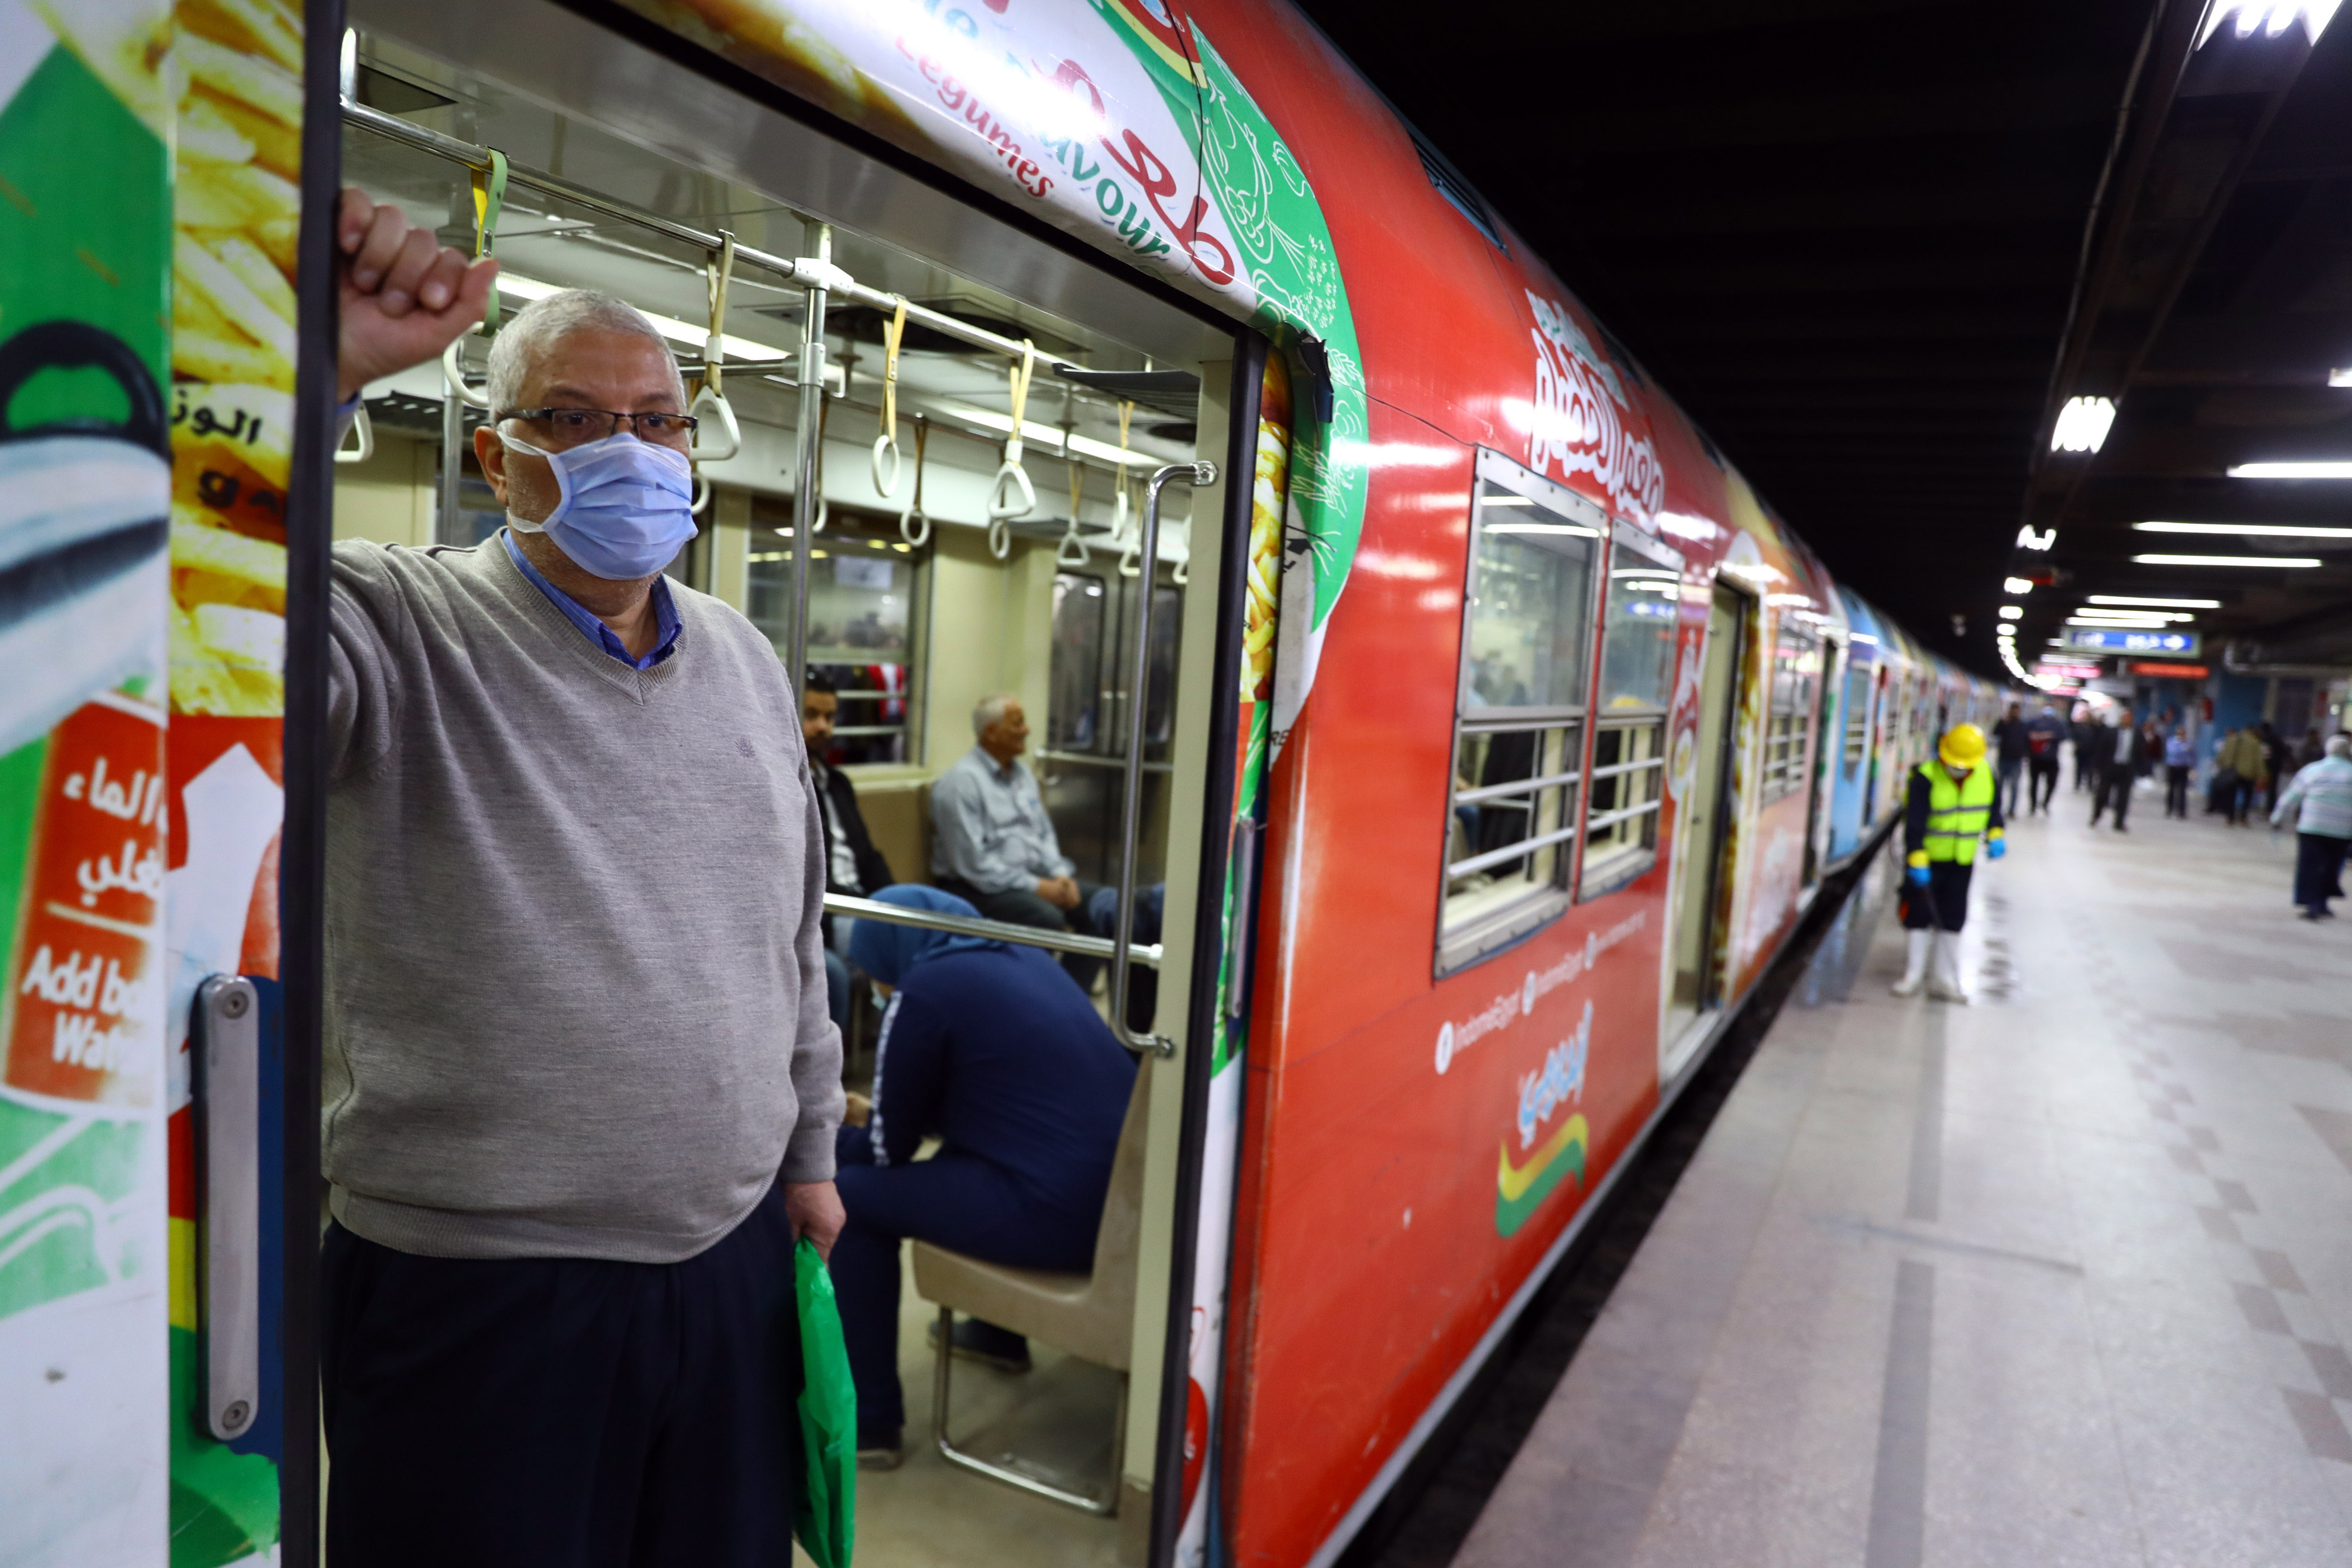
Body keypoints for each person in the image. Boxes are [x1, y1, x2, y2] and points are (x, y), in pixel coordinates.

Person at [319, 191, 842, 1564]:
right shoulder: (393, 622)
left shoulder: (741, 654)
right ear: (498, 458)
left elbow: (792, 930)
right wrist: (305, 381)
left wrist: (808, 1154)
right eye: (574, 418)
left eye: (658, 420)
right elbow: (197, 628)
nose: (629, 448)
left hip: (730, 1255)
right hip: (477, 1284)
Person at [833, 885, 1139, 1467]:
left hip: (1060, 1216)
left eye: (875, 979)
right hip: (1122, 1210)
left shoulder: (923, 989)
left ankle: (869, 1423)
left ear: (890, 957)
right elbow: (996, 1098)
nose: (876, 992)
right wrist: (875, 1124)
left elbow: (882, 1155)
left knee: (852, 1197)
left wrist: (823, 1135)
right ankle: (997, 1334)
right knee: (972, 1151)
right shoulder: (1021, 953)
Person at [805, 671, 896, 1030]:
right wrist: (868, 905)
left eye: (829, 717)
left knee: (916, 931)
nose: (823, 727)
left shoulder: (839, 783)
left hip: (862, 904)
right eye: (811, 716)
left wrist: (892, 900)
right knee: (881, 943)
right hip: (827, 910)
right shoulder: (783, 782)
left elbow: (868, 856)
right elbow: (808, 872)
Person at [1893, 722, 2006, 1003]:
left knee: (1953, 919)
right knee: (1918, 916)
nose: (1959, 768)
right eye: (1954, 764)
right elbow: (1914, 822)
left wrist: (1996, 834)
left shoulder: (1987, 775)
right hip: (1926, 861)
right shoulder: (1925, 777)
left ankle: (1943, 980)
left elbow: (1994, 812)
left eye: (1965, 765)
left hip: (1961, 862)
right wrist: (1916, 856)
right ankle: (1914, 974)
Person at [2272, 735, 2352, 920]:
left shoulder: (2313, 770)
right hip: (2342, 830)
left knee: (2311, 865)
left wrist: (2277, 818)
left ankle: (2313, 904)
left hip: (2312, 827)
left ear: (2327, 751)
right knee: (2332, 866)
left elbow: (2292, 796)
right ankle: (2322, 903)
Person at [2089, 710, 2147, 831]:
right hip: (2110, 767)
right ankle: (2097, 815)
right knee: (2102, 794)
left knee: (2123, 797)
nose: (2126, 720)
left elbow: (2141, 753)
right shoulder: (2111, 732)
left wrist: (2140, 770)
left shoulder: (2137, 734)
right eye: (2124, 718)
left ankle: (2119, 822)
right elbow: (2101, 750)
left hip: (2127, 769)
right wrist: (2097, 767)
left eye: (2128, 718)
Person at [2217, 723, 2268, 825]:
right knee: (2247, 797)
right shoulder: (2255, 742)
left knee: (2231, 796)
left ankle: (2230, 818)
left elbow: (2222, 756)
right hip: (2248, 774)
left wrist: (2222, 766)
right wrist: (2262, 775)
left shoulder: (2232, 739)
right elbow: (2258, 760)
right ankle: (2243, 818)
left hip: (2232, 772)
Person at [2024, 700, 2067, 814]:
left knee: (2052, 782)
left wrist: (2051, 736)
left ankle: (2046, 803)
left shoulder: (2058, 723)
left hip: (2051, 759)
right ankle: (2033, 805)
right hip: (2036, 758)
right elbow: (2026, 734)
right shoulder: (2034, 722)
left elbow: (2064, 736)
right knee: (2034, 783)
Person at [1993, 700, 2029, 821]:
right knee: (1999, 787)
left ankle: (2012, 810)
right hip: (2003, 760)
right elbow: (1995, 733)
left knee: (2015, 787)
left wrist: (2026, 755)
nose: (2015, 713)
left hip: (2017, 761)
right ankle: (1997, 809)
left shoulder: (2023, 726)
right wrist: (2003, 723)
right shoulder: (2004, 723)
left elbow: (2026, 742)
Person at [2163, 726, 2196, 819]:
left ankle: (2181, 812)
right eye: (2179, 733)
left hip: (2183, 768)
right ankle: (2169, 809)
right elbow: (2171, 752)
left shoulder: (2189, 744)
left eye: (2183, 734)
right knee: (2171, 789)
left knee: (2182, 790)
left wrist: (2192, 767)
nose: (2181, 735)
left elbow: (2193, 756)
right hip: (2173, 767)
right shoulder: (2172, 742)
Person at [2070, 702, 2100, 793]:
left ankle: (2090, 785)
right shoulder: (2079, 727)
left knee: (2090, 769)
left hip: (2091, 752)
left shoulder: (2095, 728)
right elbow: (2075, 737)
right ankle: (2078, 784)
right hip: (2081, 751)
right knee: (2079, 769)